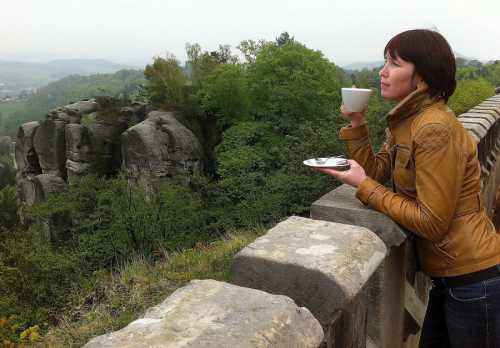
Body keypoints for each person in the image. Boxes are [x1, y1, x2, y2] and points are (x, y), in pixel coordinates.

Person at [316, 29, 500, 347]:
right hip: (451, 278)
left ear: (422, 78)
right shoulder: (407, 121)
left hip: (474, 280)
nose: (382, 71)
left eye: (394, 63)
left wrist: (363, 186)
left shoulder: (433, 129)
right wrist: (358, 126)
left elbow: (431, 220)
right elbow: (378, 171)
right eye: (385, 61)